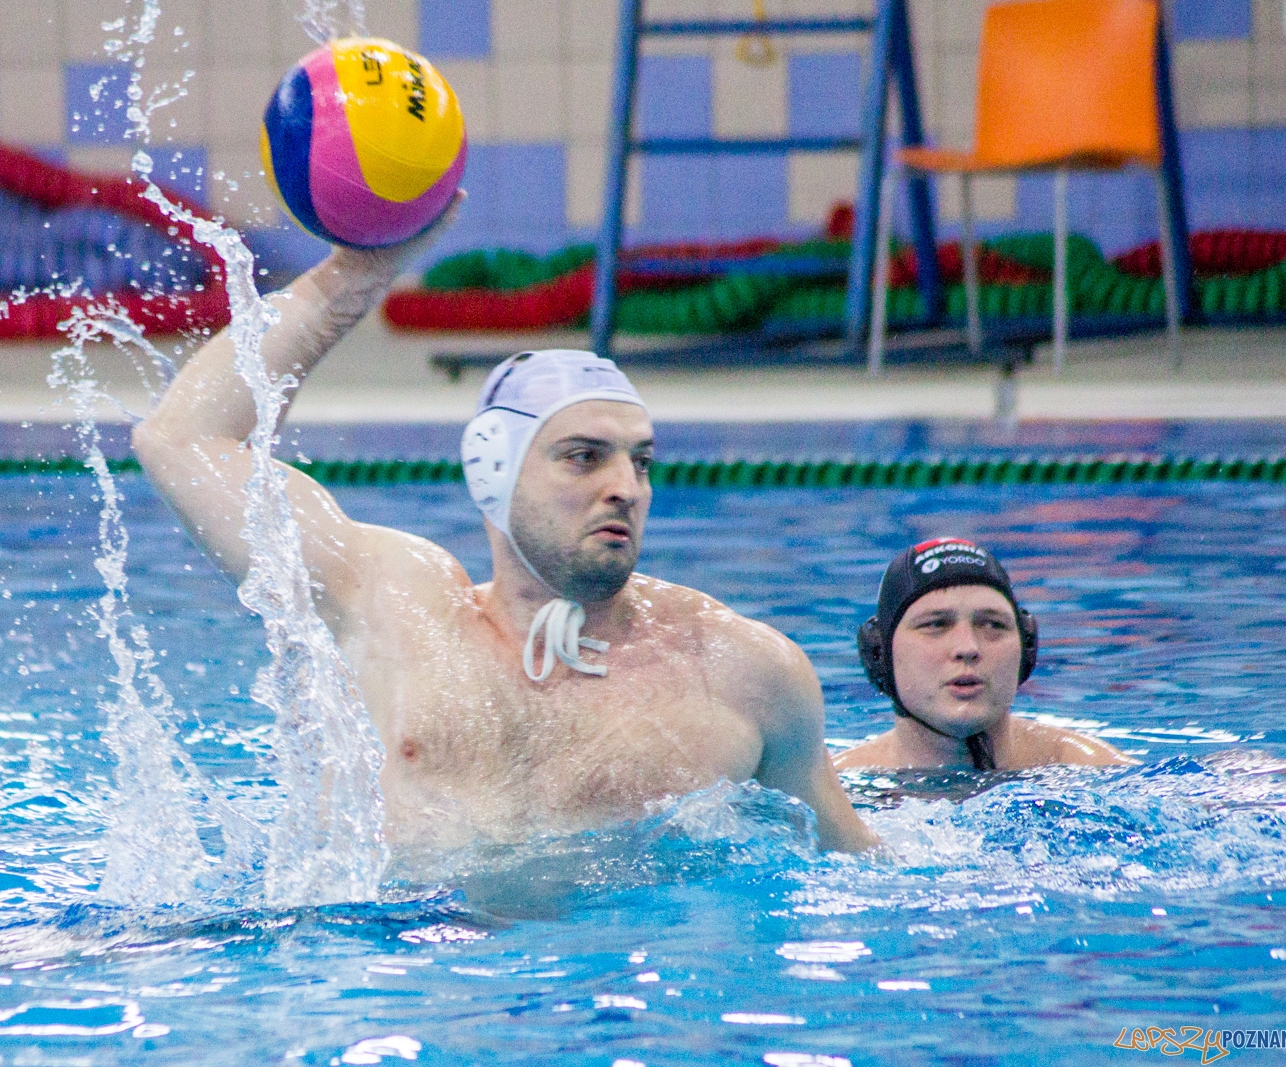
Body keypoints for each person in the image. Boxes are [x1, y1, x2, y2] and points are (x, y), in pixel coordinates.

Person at [132, 203, 877, 853]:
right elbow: (182, 440)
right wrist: (345, 284)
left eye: (640, 461)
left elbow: (860, 874)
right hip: (408, 978)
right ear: (494, 471)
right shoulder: (397, 605)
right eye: (583, 458)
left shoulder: (742, 672)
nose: (626, 487)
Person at [835, 537, 1132, 771]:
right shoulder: (835, 794)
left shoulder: (1092, 772)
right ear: (879, 654)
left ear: (1026, 649)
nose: (968, 648)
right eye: (936, 624)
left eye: (993, 624)